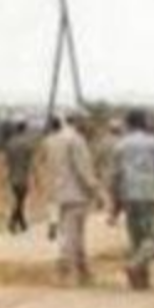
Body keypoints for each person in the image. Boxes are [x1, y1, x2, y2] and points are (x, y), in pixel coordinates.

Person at [107, 109, 154, 290]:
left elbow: (114, 175)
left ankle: (141, 282)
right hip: (149, 193)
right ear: (144, 123)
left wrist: (114, 201)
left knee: (137, 239)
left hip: (128, 194)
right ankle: (135, 265)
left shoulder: (120, 145)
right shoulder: (153, 143)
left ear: (128, 124)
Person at [41, 115, 101, 286]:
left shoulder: (50, 141)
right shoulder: (76, 140)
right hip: (76, 193)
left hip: (57, 193)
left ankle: (84, 273)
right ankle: (65, 270)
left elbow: (44, 166)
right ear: (79, 123)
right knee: (73, 234)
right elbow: (83, 169)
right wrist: (95, 190)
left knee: (70, 232)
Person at [3, 121, 38, 235]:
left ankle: (22, 223)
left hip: (12, 175)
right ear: (25, 129)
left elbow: (6, 161)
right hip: (23, 176)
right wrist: (36, 176)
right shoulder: (28, 144)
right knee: (20, 200)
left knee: (18, 199)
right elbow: (31, 162)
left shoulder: (10, 143)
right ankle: (12, 222)